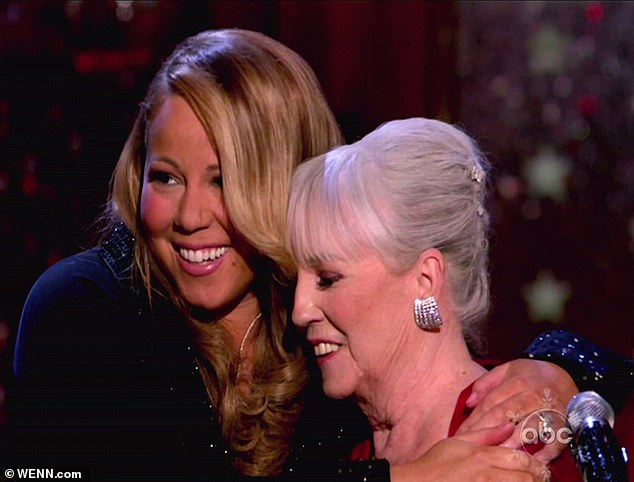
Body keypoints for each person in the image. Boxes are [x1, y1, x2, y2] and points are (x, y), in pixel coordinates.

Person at [8, 30, 630, 481]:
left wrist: (567, 376)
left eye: (224, 180)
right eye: (165, 177)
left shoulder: (312, 325)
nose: (191, 215)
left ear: (283, 183)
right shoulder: (87, 308)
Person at [287, 118, 633, 481]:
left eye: (328, 279)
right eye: (297, 281)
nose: (299, 310)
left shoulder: (527, 445)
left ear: (425, 280)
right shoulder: (327, 445)